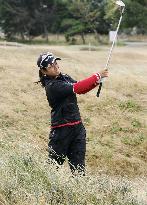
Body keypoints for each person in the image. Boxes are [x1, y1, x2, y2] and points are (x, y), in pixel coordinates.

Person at [36, 52, 108, 175]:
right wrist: (97, 75)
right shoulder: (52, 86)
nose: (55, 66)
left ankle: (79, 190)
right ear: (44, 71)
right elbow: (78, 87)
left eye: (55, 62)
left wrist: (97, 82)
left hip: (77, 128)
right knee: (53, 169)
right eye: (51, 65)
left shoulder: (64, 77)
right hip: (61, 131)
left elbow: (81, 89)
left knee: (79, 169)